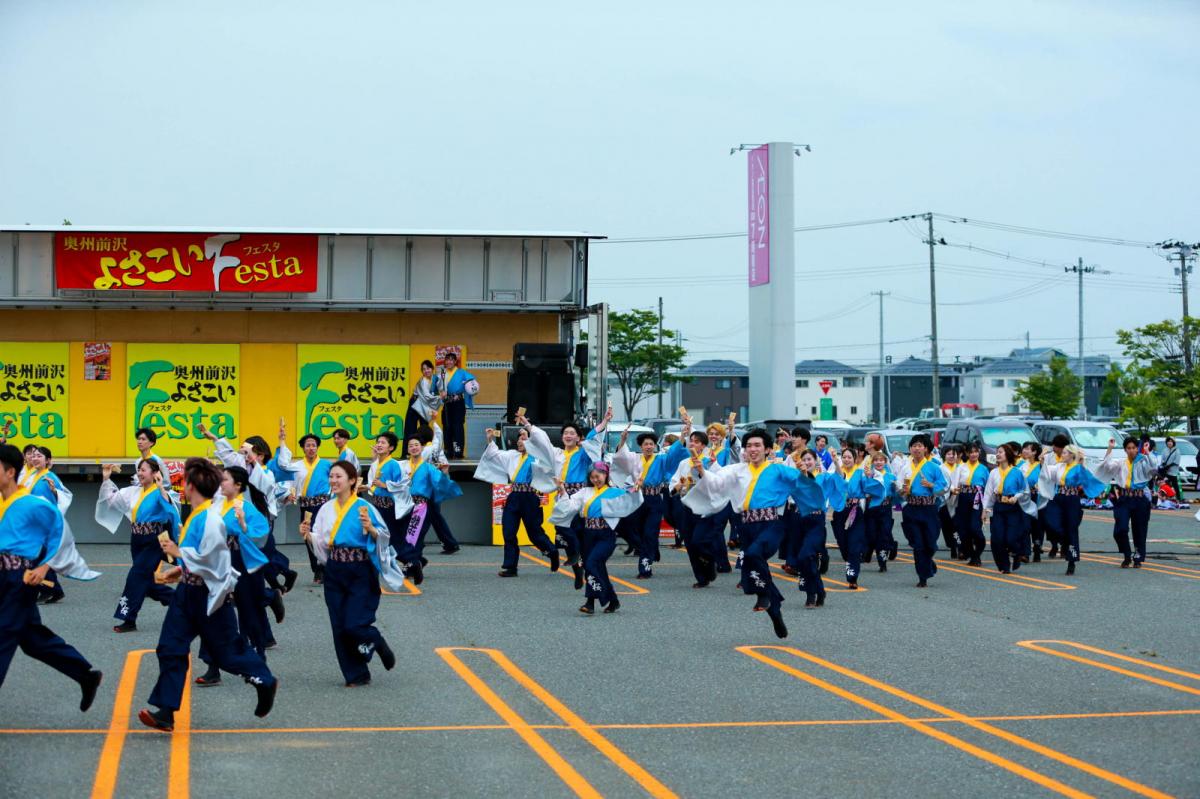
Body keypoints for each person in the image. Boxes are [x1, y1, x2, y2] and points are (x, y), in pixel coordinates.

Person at [138, 458, 277, 731]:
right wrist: (178, 571)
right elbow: (200, 556)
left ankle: (264, 678)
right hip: (187, 592)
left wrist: (180, 554)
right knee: (170, 647)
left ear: (189, 486)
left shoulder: (210, 517)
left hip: (209, 596)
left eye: (183, 482)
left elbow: (216, 561)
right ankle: (166, 711)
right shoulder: (199, 513)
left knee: (227, 654)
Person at [0, 443, 103, 710]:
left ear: (10, 472)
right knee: (33, 640)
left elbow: (60, 533)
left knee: (3, 635)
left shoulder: (33, 503)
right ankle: (85, 675)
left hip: (18, 580)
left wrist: (44, 566)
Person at [686, 429, 811, 639]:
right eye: (749, 446)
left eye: (757, 445)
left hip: (772, 524)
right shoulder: (736, 470)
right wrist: (702, 471)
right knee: (754, 568)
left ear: (768, 449)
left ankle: (764, 596)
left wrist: (804, 472)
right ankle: (775, 611)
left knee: (753, 555)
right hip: (746, 526)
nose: (752, 449)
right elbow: (716, 483)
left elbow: (803, 484)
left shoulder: (777, 469)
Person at [300, 460, 405, 687]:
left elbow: (384, 539)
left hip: (360, 570)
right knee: (339, 625)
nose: (333, 481)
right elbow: (322, 541)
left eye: (339, 477)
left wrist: (371, 530)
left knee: (354, 623)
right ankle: (356, 674)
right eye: (331, 477)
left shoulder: (364, 508)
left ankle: (375, 640)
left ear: (352, 481)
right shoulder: (326, 509)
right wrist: (308, 535)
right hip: (335, 570)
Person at [194, 466, 278, 685]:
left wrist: (242, 523)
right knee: (212, 612)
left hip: (241, 561)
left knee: (249, 614)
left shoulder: (246, 507)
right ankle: (212, 667)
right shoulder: (215, 506)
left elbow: (261, 536)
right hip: (219, 561)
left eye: (225, 480)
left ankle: (258, 661)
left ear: (238, 485)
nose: (221, 483)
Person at [523, 411, 608, 589]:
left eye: (572, 433)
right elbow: (542, 441)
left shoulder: (583, 453)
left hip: (580, 495)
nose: (568, 436)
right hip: (562, 494)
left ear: (578, 438)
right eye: (566, 433)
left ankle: (584, 563)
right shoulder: (557, 453)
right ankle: (577, 569)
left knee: (578, 532)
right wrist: (528, 425)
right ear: (562, 437)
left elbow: (594, 439)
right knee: (561, 527)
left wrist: (605, 421)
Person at [95, 459, 181, 633]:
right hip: (137, 539)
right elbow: (112, 500)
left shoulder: (160, 493)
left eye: (144, 470)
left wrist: (161, 487)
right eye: (139, 470)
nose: (140, 473)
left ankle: (129, 619)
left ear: (155, 473)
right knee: (146, 582)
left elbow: (171, 510)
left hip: (155, 539)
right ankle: (181, 601)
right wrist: (106, 478)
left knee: (135, 577)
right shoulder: (133, 492)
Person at [549, 462, 642, 614]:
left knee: (591, 564)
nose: (595, 479)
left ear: (606, 475)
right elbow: (570, 506)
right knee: (597, 568)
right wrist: (561, 490)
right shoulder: (585, 492)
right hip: (588, 535)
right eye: (592, 477)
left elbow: (631, 500)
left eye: (598, 476)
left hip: (606, 535)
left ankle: (596, 599)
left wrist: (636, 487)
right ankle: (609, 601)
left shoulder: (615, 492)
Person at [473, 423, 559, 577]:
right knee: (509, 532)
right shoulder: (512, 456)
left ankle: (551, 551)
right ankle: (511, 566)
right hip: (514, 496)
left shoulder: (538, 456)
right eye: (519, 440)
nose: (520, 442)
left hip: (530, 497)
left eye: (524, 439)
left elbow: (546, 450)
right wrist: (490, 440)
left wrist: (530, 439)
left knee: (534, 533)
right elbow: (494, 455)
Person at [614, 419, 691, 579]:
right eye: (645, 444)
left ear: (655, 445)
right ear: (641, 446)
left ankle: (645, 567)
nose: (648, 446)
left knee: (650, 532)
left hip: (654, 499)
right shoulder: (635, 459)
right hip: (637, 499)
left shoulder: (661, 459)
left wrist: (683, 435)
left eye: (651, 444)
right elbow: (621, 458)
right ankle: (650, 549)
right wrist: (622, 439)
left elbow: (675, 454)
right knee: (627, 527)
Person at [384, 429, 462, 585]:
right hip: (405, 505)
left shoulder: (428, 467)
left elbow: (440, 481)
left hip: (421, 506)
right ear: (407, 449)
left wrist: (445, 474)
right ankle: (416, 561)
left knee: (414, 537)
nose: (413, 448)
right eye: (411, 445)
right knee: (400, 536)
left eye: (416, 445)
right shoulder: (402, 465)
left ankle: (413, 564)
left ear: (421, 448)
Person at [781, 448, 844, 607]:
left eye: (810, 459)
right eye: (804, 460)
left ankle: (814, 593)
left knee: (806, 555)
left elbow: (840, 477)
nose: (807, 462)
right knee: (803, 561)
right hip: (797, 519)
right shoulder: (796, 478)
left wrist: (836, 460)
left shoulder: (822, 478)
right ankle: (816, 592)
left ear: (816, 461)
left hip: (816, 521)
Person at [1039, 445, 1107, 575]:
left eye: (1064, 453)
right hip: (1058, 498)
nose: (1062, 455)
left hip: (1072, 500)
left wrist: (1082, 462)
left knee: (1071, 529)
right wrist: (1042, 460)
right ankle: (1064, 541)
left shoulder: (1078, 469)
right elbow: (1047, 473)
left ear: (1071, 455)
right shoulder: (1059, 466)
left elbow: (1090, 478)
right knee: (1050, 521)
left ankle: (1071, 562)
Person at [276, 432, 333, 584]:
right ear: (303, 448)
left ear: (318, 447)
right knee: (308, 537)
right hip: (306, 506)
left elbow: (335, 482)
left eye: (314, 445)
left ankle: (324, 568)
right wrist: (289, 495)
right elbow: (289, 484)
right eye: (308, 445)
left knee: (324, 536)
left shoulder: (327, 465)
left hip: (323, 506)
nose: (311, 448)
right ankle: (317, 568)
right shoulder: (296, 466)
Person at [1095, 437, 1160, 568]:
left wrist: (1148, 452)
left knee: (1140, 530)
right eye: (1128, 448)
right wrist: (1110, 448)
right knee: (1120, 529)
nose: (1131, 450)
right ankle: (1126, 554)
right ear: (1125, 450)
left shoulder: (1143, 461)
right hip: (1124, 499)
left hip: (1140, 499)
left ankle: (1137, 557)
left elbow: (1154, 468)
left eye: (1133, 448)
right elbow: (1106, 466)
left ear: (1137, 448)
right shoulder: (1120, 463)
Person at [895, 434, 949, 588]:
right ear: (910, 449)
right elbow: (898, 486)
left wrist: (932, 485)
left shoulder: (934, 467)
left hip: (929, 509)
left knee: (930, 544)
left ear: (925, 449)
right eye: (914, 446)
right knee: (918, 544)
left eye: (920, 446)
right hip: (911, 508)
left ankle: (928, 563)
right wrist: (903, 490)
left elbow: (944, 487)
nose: (917, 448)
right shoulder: (905, 467)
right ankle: (923, 576)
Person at [830, 446, 884, 588]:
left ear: (855, 459)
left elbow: (870, 487)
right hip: (840, 513)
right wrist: (835, 462)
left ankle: (852, 578)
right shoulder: (835, 472)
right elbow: (837, 480)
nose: (846, 459)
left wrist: (869, 476)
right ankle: (849, 562)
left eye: (849, 457)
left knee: (854, 545)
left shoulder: (860, 473)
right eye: (844, 457)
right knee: (844, 546)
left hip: (855, 513)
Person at [981, 443, 1036, 574]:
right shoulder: (994, 472)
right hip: (999, 507)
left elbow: (1025, 491)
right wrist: (985, 509)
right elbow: (988, 493)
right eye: (997, 452)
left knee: (1011, 538)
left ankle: (1017, 553)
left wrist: (1016, 497)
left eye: (1000, 452)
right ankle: (1004, 565)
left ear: (1008, 454)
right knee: (997, 539)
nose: (997, 454)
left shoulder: (1018, 472)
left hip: (1013, 509)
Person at [952, 443, 989, 566]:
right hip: (963, 498)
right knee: (962, 530)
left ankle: (977, 554)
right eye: (971, 452)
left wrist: (987, 506)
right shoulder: (961, 467)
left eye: (976, 451)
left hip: (977, 499)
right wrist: (953, 490)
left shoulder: (984, 468)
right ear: (967, 454)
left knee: (975, 528)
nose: (974, 454)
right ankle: (972, 554)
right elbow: (954, 484)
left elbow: (988, 487)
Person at [863, 449, 899, 572]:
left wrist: (896, 488)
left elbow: (895, 494)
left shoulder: (891, 476)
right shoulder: (869, 474)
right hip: (872, 508)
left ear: (885, 462)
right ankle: (869, 550)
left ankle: (882, 562)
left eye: (881, 460)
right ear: (873, 462)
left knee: (884, 534)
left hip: (885, 508)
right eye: (876, 460)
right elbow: (865, 489)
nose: (879, 463)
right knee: (872, 534)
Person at [438, 351, 478, 460]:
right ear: (445, 361)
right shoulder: (442, 373)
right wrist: (440, 393)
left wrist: (470, 387)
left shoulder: (462, 373)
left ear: (455, 361)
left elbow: (472, 383)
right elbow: (437, 388)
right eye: (447, 360)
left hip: (458, 403)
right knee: (447, 427)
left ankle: (458, 451)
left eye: (452, 359)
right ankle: (448, 451)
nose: (449, 362)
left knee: (458, 427)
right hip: (447, 404)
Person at [1020, 441, 1047, 562]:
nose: (1024, 451)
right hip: (1025, 498)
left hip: (1037, 498)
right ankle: (1025, 552)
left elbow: (1047, 478)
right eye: (1024, 449)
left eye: (1027, 449)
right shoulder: (1021, 465)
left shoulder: (1040, 465)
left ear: (1035, 452)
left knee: (1037, 525)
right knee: (1025, 525)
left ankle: (1037, 548)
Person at [405, 359, 443, 441]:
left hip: (426, 405)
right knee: (410, 429)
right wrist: (440, 397)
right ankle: (406, 452)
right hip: (415, 403)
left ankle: (425, 451)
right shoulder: (422, 381)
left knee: (424, 428)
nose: (426, 371)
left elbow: (441, 390)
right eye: (424, 369)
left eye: (428, 368)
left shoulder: (435, 379)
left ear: (432, 369)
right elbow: (427, 396)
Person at [938, 446, 962, 560]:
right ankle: (952, 546)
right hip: (944, 501)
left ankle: (959, 547)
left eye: (954, 454)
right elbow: (941, 484)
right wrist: (951, 489)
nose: (952, 456)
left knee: (957, 526)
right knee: (948, 526)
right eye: (948, 454)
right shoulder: (940, 468)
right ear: (944, 456)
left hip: (958, 501)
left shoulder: (961, 468)